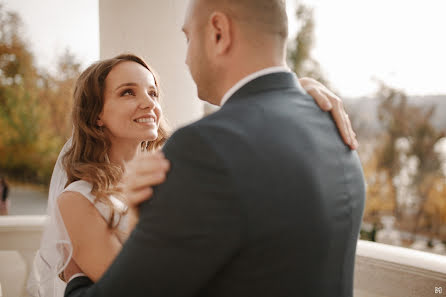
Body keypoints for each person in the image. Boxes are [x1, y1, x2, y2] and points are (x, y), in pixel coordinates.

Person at [63, 0, 365, 297]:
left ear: (218, 32)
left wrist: (75, 277)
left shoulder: (202, 148)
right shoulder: (333, 124)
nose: (185, 58)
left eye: (188, 37)